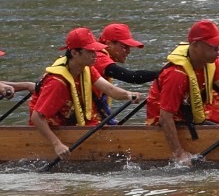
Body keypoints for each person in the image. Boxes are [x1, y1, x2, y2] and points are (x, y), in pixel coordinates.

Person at [148, 19, 219, 164]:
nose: (218, 50)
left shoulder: (213, 61)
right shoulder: (176, 74)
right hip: (165, 123)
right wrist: (179, 153)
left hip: (190, 119)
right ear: (195, 45)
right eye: (213, 47)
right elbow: (165, 117)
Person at [30, 26, 147, 155]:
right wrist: (57, 144)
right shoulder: (57, 82)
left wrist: (128, 94)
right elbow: (37, 118)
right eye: (90, 51)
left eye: (95, 50)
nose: (95, 55)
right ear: (75, 53)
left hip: (72, 124)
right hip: (52, 129)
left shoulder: (87, 69)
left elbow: (110, 90)